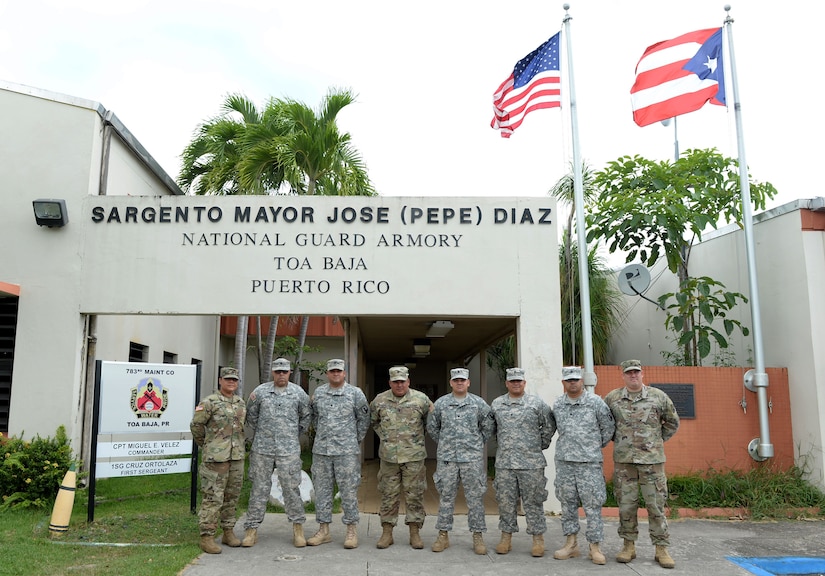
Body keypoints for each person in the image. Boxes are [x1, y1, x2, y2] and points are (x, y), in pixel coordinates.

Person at [604, 359, 680, 569]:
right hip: (624, 462)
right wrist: (620, 441)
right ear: (623, 375)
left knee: (656, 505)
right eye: (629, 373)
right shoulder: (612, 398)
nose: (633, 376)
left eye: (636, 372)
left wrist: (655, 441)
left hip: (652, 462)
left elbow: (672, 422)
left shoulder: (658, 397)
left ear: (642, 373)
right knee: (626, 505)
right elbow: (605, 424)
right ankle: (628, 545)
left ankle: (661, 548)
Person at [241, 357, 311, 548]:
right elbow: (251, 416)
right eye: (278, 371)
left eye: (284, 371)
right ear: (273, 372)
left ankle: (298, 528)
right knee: (259, 488)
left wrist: (291, 434)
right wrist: (266, 432)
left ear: (289, 372)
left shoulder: (298, 393)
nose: (281, 374)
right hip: (262, 449)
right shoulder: (260, 392)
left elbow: (306, 416)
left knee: (291, 488)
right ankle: (251, 529)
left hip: (288, 449)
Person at [551, 366, 615, 565]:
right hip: (565, 462)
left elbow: (608, 428)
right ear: (563, 382)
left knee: (593, 504)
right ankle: (571, 544)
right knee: (567, 504)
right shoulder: (558, 404)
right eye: (569, 379)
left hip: (589, 463)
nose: (573, 382)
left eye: (576, 379)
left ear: (582, 381)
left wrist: (592, 446)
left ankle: (595, 546)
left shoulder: (595, 402)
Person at [426, 367, 494, 555]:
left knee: (475, 499)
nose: (459, 383)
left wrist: (476, 443)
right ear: (451, 383)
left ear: (468, 382)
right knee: (446, 498)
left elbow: (488, 427)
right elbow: (432, 427)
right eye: (456, 380)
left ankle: (478, 536)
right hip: (448, 459)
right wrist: (446, 443)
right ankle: (443, 535)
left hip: (471, 459)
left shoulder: (479, 404)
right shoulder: (441, 404)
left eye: (463, 380)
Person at [490, 367, 554, 557]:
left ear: (524, 383)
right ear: (507, 383)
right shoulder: (497, 404)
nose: (516, 383)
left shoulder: (536, 403)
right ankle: (506, 537)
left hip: (531, 463)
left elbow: (549, 426)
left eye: (519, 381)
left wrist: (537, 446)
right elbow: (492, 428)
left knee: (534, 501)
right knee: (505, 502)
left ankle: (537, 539)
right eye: (512, 381)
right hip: (505, 464)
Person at [306, 358, 370, 549]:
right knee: (322, 491)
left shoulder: (355, 394)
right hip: (322, 452)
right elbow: (315, 418)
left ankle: (351, 530)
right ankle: (323, 530)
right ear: (327, 373)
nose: (335, 374)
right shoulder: (319, 393)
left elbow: (364, 419)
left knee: (348, 491)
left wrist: (352, 439)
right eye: (332, 371)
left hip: (346, 452)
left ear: (344, 373)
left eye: (339, 371)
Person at [369, 365, 433, 549]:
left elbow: (430, 423)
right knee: (389, 495)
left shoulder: (421, 400)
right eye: (395, 382)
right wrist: (385, 437)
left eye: (402, 382)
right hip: (389, 458)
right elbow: (373, 421)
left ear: (408, 381)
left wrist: (415, 440)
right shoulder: (379, 400)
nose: (399, 385)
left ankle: (415, 533)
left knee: (415, 495)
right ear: (390, 382)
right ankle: (387, 533)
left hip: (414, 457)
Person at [189, 366, 246, 554]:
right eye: (228, 379)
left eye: (234, 380)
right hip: (216, 459)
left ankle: (228, 531)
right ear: (220, 380)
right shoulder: (209, 402)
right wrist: (208, 446)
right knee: (213, 497)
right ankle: (207, 536)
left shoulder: (240, 403)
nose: (231, 382)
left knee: (232, 496)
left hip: (236, 457)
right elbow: (196, 426)